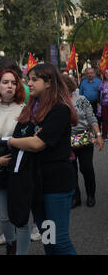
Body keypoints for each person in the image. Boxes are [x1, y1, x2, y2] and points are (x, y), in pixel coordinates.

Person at [7, 63, 78, 255]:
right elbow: (29, 139)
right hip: (36, 183)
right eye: (28, 79)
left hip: (57, 185)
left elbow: (37, 144)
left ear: (48, 83)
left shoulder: (59, 110)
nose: (28, 83)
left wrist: (12, 141)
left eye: (34, 79)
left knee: (59, 242)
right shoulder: (32, 109)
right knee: (48, 240)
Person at [0, 69, 30, 255]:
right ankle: (11, 243)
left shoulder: (24, 111)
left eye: (13, 82)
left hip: (19, 172)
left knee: (21, 217)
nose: (9, 86)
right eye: (5, 82)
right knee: (4, 217)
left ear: (18, 86)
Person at [62, 74, 104, 208]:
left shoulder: (82, 99)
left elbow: (92, 118)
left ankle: (91, 195)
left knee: (87, 168)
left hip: (85, 139)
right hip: (67, 142)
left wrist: (98, 134)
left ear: (68, 86)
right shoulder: (58, 102)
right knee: (71, 170)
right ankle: (76, 198)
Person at [99, 69, 108, 140]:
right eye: (106, 74)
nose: (107, 75)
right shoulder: (102, 84)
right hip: (104, 105)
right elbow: (99, 96)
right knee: (105, 120)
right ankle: (104, 135)